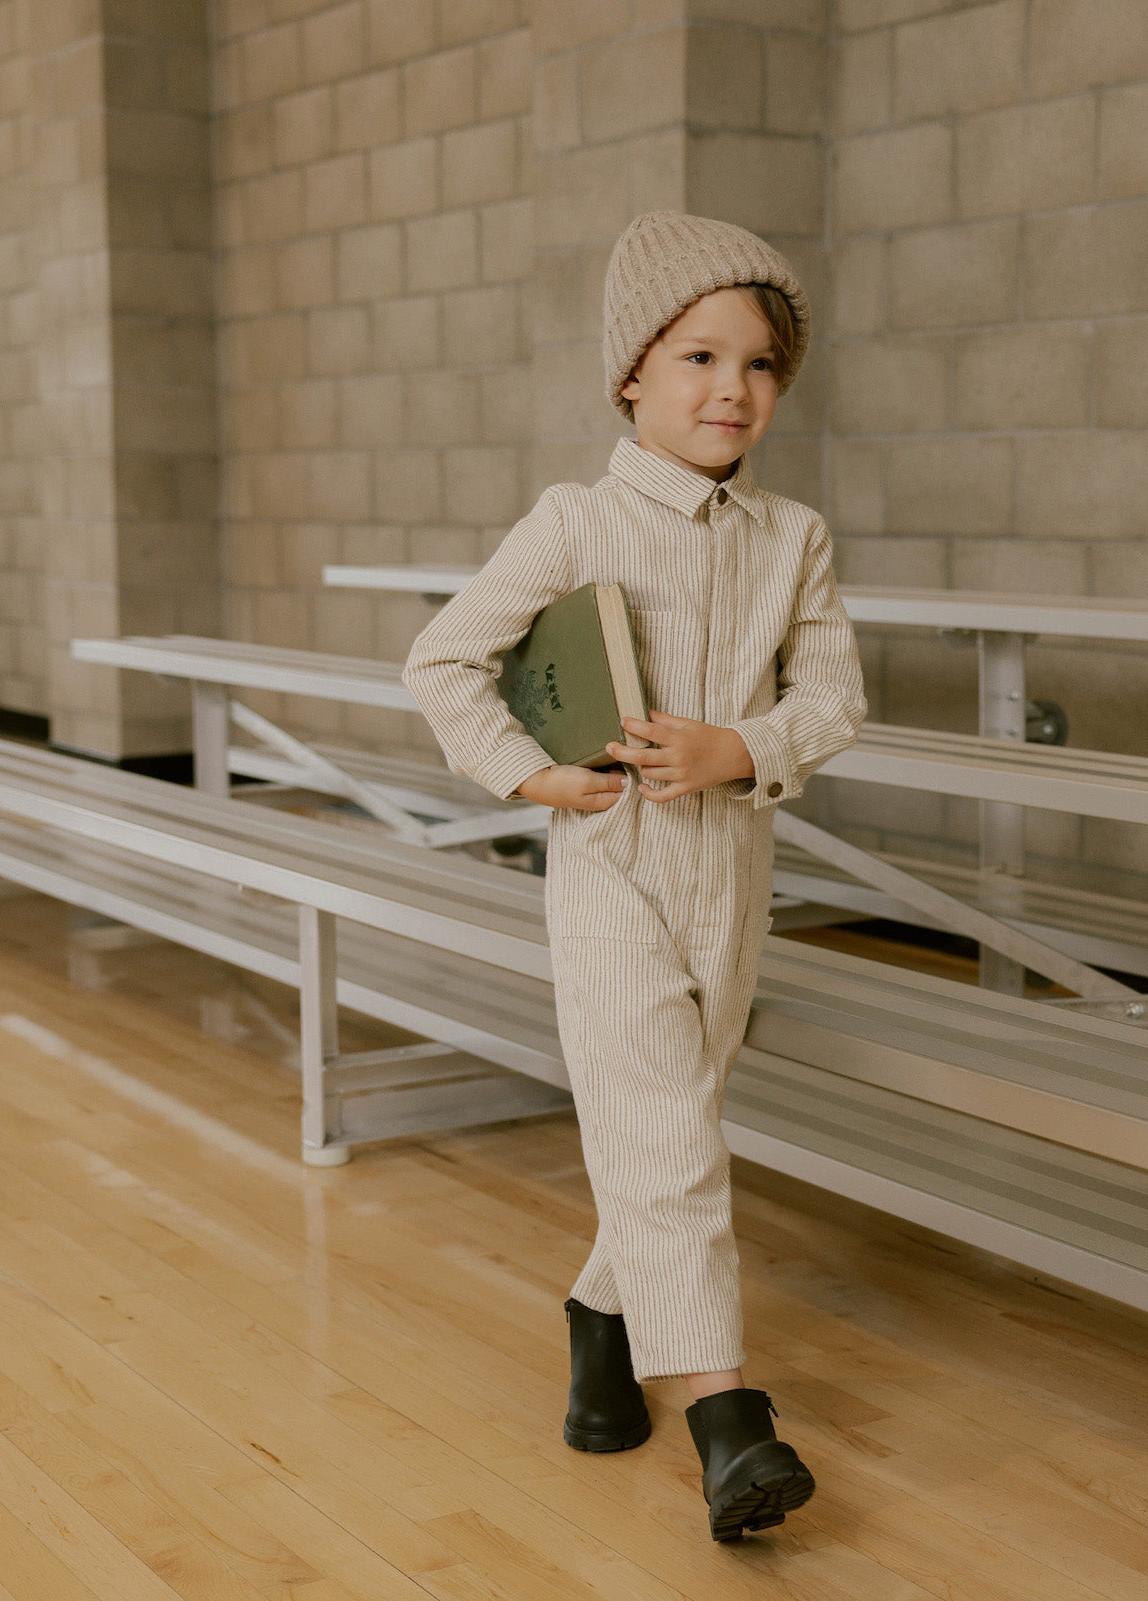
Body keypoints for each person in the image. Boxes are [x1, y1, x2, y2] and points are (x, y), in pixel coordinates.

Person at [403, 211, 866, 1541]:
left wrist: (744, 746)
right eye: (698, 357)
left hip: (735, 879)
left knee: (670, 1120)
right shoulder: (576, 519)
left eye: (761, 363)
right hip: (609, 871)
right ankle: (728, 1415)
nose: (733, 389)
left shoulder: (794, 537)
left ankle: (600, 1317)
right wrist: (532, 776)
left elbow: (833, 698)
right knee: (664, 1126)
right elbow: (443, 661)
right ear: (632, 374)